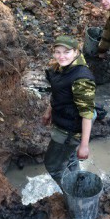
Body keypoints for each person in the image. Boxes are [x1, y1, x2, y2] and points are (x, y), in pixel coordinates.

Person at [41, 36, 96, 188]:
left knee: (53, 166)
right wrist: (48, 111)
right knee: (71, 159)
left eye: (66, 52)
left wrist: (84, 144)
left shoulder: (82, 79)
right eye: (57, 52)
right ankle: (79, 184)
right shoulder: (61, 67)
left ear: (76, 52)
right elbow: (59, 93)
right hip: (65, 117)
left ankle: (73, 195)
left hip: (71, 129)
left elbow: (87, 113)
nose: (61, 56)